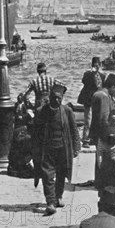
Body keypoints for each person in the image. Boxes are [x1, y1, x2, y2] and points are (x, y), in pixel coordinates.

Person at [33, 83, 81, 215]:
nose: (57, 100)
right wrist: (34, 150)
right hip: (47, 149)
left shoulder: (67, 111)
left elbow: (74, 130)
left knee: (62, 173)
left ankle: (58, 196)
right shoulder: (41, 112)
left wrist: (77, 147)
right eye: (54, 97)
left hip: (63, 149)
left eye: (60, 98)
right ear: (49, 97)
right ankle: (50, 202)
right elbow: (35, 133)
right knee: (47, 175)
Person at [77, 57, 106, 147]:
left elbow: (100, 85)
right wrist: (93, 73)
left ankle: (92, 138)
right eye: (95, 65)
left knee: (94, 119)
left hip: (95, 100)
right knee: (88, 120)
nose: (96, 67)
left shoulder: (101, 75)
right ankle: (86, 139)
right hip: (89, 100)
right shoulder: (88, 74)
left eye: (97, 65)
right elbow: (85, 81)